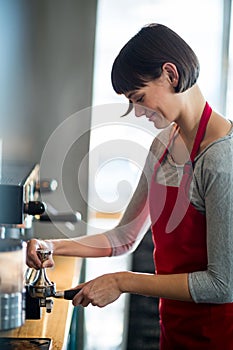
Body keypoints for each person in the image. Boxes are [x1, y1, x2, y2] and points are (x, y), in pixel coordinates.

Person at [27, 23, 233, 349]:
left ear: (171, 74)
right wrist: (52, 247)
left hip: (216, 337)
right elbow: (124, 237)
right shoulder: (163, 145)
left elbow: (222, 284)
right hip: (174, 330)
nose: (138, 112)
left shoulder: (221, 159)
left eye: (139, 98)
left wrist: (121, 282)